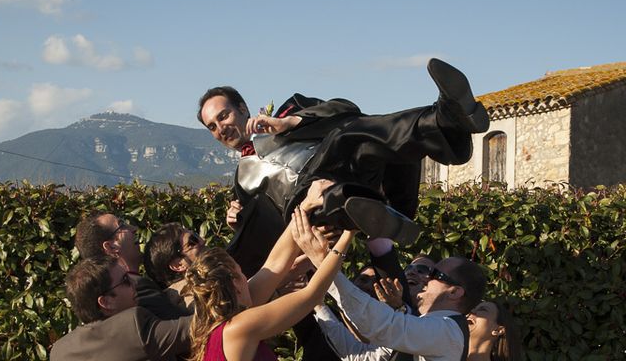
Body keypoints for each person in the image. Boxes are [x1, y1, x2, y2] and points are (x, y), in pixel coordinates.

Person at [197, 58, 489, 276]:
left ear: (243, 109)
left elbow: (346, 109)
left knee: (353, 135)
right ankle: (446, 133)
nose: (221, 127)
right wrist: (240, 220)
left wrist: (290, 123)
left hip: (343, 166)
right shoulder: (241, 182)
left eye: (224, 116)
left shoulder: (291, 109)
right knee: (338, 163)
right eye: (212, 126)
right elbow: (266, 234)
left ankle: (449, 124)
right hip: (311, 210)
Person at [185, 206, 355, 361]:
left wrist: (306, 206)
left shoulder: (215, 331)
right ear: (234, 283)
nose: (247, 278)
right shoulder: (239, 327)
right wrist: (349, 233)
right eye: (241, 273)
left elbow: (274, 266)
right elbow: (312, 295)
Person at [304, 243, 487, 361]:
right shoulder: (426, 329)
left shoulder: (448, 332)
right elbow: (361, 356)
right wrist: (319, 305)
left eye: (434, 275)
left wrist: (326, 266)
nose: (425, 279)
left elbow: (381, 325)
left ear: (454, 292)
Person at [50, 256, 193, 361]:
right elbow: (201, 326)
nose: (135, 284)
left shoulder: (59, 352)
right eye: (125, 280)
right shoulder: (132, 328)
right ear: (106, 302)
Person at [75, 211, 191, 319]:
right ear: (111, 247)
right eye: (122, 226)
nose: (134, 228)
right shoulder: (138, 289)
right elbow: (187, 326)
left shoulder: (119, 295)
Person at [144, 222, 206, 308]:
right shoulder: (198, 301)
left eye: (196, 235)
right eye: (193, 241)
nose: (203, 240)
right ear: (178, 265)